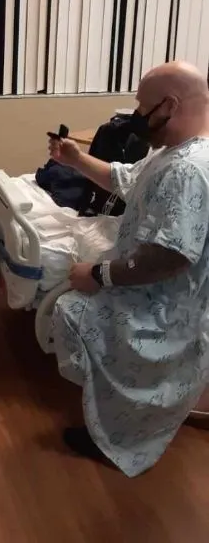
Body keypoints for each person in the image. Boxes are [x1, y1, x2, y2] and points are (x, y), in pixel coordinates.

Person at [48, 61, 209, 477]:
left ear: (169, 105)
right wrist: (75, 160)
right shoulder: (174, 154)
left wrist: (98, 274)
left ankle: (116, 440)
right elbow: (127, 179)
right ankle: (128, 426)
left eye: (141, 106)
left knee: (71, 311)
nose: (136, 115)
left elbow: (171, 256)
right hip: (159, 294)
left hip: (161, 309)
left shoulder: (187, 170)